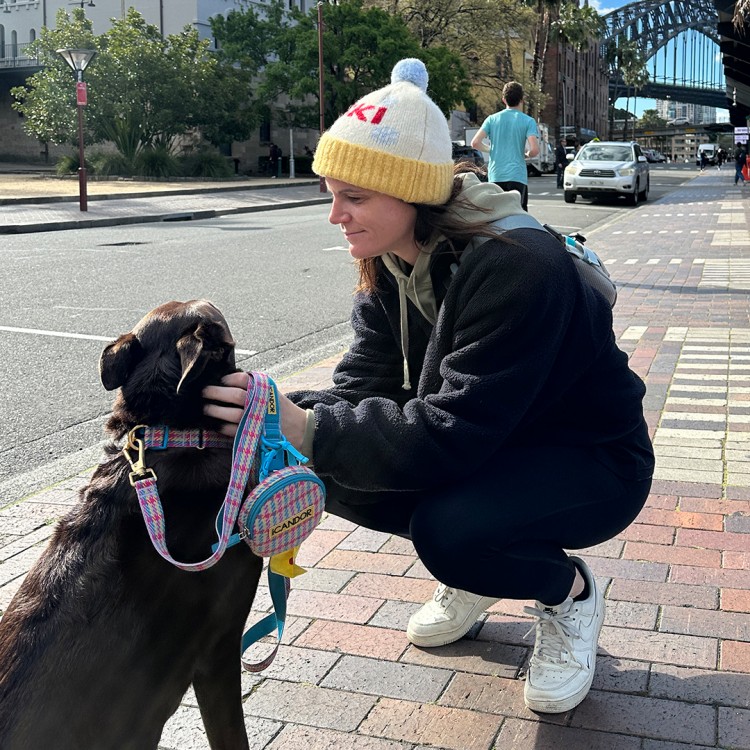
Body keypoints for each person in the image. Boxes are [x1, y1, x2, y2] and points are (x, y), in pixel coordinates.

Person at [204, 59, 654, 715]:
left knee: (450, 533)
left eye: (354, 198)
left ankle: (568, 593)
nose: (335, 216)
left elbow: (449, 435)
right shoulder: (388, 261)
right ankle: (481, 571)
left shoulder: (518, 266)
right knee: (310, 463)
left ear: (410, 192)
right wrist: (272, 419)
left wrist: (300, 423)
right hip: (495, 441)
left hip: (593, 461)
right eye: (331, 194)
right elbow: (362, 388)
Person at [470, 81, 539, 211]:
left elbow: (475, 143)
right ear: (522, 100)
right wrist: (527, 154)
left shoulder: (492, 119)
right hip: (517, 176)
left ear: (503, 100)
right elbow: (535, 150)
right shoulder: (528, 121)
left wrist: (492, 149)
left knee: (497, 214)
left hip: (496, 175)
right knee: (518, 214)